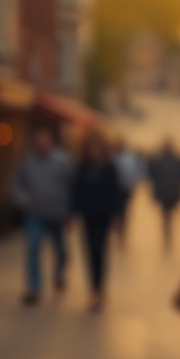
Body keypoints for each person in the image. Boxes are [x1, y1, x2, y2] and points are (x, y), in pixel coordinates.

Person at [11, 123, 74, 307]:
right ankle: (34, 288)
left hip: (58, 214)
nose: (41, 143)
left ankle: (59, 273)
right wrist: (21, 199)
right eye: (38, 139)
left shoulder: (63, 161)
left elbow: (72, 187)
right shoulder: (27, 161)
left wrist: (70, 213)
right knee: (33, 246)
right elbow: (17, 185)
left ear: (51, 141)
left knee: (61, 250)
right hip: (35, 213)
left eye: (45, 139)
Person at [71, 131, 125, 312]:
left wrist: (117, 215)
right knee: (89, 252)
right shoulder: (82, 167)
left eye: (97, 146)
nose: (94, 150)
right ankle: (93, 289)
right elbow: (76, 191)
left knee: (100, 250)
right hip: (87, 215)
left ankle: (100, 289)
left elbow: (116, 192)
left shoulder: (109, 167)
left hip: (104, 215)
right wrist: (72, 213)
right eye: (91, 146)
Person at [148, 140, 180, 242]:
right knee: (167, 212)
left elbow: (152, 177)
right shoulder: (178, 161)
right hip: (170, 191)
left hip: (167, 191)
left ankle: (167, 230)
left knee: (166, 213)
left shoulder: (159, 161)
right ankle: (167, 231)